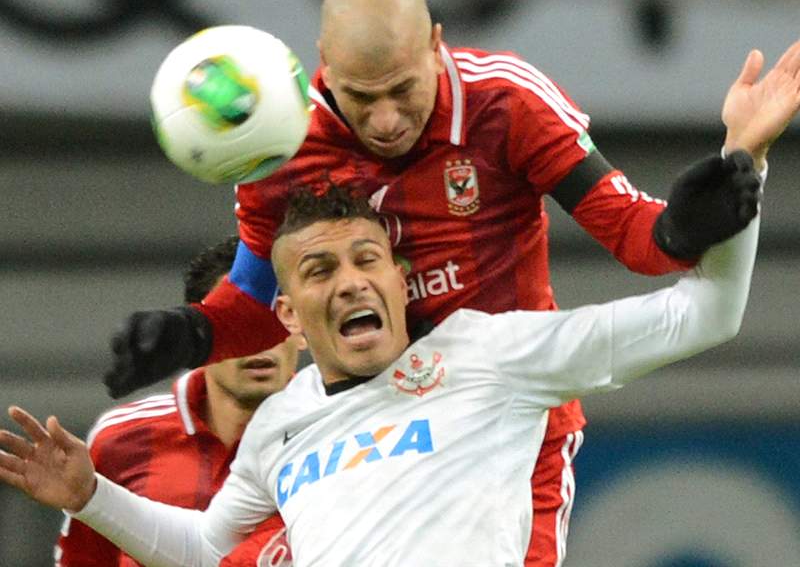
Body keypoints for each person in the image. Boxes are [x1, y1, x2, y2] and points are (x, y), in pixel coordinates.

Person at [104, 0, 800, 564]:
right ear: (324, 68)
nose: (385, 120)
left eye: (402, 90)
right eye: (361, 97)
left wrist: (685, 225)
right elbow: (262, 305)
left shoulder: (506, 102)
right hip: (360, 415)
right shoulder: (282, 145)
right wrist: (193, 333)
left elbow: (636, 238)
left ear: (436, 44)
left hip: (503, 402)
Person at [0, 167, 771, 565]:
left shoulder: (488, 354)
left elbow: (707, 314)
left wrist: (747, 167)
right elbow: (206, 549)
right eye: (319, 270)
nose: (349, 282)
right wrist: (91, 496)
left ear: (402, 282)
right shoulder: (280, 423)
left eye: (367, 259)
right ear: (288, 315)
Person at [55, 236, 303, 566]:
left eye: (275, 320)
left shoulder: (342, 435)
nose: (260, 342)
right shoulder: (123, 438)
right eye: (240, 324)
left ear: (302, 326)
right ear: (205, 334)